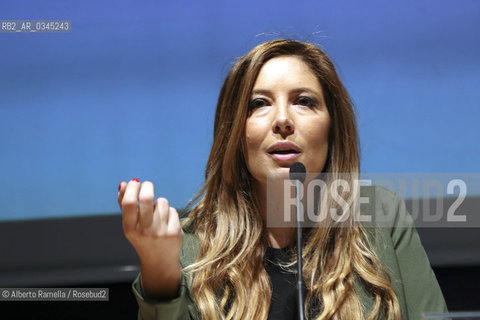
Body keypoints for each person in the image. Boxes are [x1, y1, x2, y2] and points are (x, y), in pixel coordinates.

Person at [117, 39, 448, 320]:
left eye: (304, 101)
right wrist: (159, 268)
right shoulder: (190, 244)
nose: (283, 120)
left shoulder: (379, 215)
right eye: (259, 104)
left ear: (333, 130)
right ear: (235, 133)